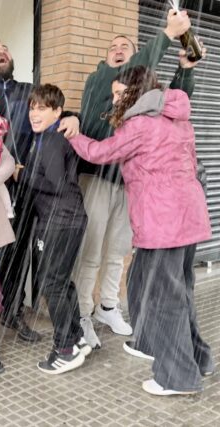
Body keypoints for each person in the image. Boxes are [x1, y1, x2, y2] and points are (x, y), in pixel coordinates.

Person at [69, 65, 215, 395]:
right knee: (169, 288)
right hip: (187, 216)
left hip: (163, 222)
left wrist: (74, 134)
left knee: (163, 297)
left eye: (119, 93)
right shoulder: (178, 118)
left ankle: (178, 377)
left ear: (136, 91)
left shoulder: (140, 124)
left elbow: (100, 153)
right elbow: (192, 164)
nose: (115, 99)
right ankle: (193, 357)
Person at [71, 9, 196, 350]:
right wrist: (167, 35)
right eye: (113, 47)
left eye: (125, 46)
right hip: (96, 179)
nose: (118, 49)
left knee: (118, 250)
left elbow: (173, 104)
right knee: (91, 251)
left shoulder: (140, 94)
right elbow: (123, 74)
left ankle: (108, 306)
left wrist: (185, 71)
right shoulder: (100, 79)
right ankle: (82, 313)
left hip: (129, 184)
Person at [0, 38, 77, 342]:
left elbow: (56, 111)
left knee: (20, 252)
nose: (1, 51)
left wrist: (73, 117)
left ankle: (12, 311)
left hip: (28, 184)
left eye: (5, 48)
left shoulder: (28, 91)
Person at [20, 84, 91, 374]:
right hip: (68, 219)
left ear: (57, 112)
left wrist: (23, 175)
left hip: (59, 221)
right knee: (61, 281)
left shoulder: (51, 140)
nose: (34, 113)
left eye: (42, 108)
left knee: (52, 284)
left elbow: (56, 183)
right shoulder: (49, 137)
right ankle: (77, 337)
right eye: (32, 107)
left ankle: (65, 349)